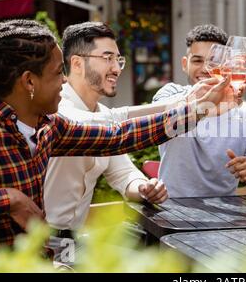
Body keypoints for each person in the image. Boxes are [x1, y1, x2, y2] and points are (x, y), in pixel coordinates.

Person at [0, 19, 232, 246]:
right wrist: (9, 199)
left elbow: (117, 136)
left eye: (118, 59)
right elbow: (110, 123)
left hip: (50, 249)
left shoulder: (48, 127)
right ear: (29, 82)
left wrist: (196, 110)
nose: (63, 79)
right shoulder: (54, 115)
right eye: (58, 73)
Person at [43, 22, 169, 239]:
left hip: (76, 238)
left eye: (118, 60)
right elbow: (100, 124)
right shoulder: (55, 107)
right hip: (40, 241)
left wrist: (143, 187)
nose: (117, 68)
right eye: (107, 58)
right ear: (77, 63)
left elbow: (123, 173)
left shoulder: (103, 114)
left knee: (148, 242)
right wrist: (182, 107)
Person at [152, 24, 246, 197]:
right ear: (184, 64)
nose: (205, 68)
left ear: (228, 64)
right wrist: (214, 99)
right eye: (197, 60)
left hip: (225, 216)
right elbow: (160, 117)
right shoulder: (170, 94)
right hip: (171, 210)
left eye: (214, 61)